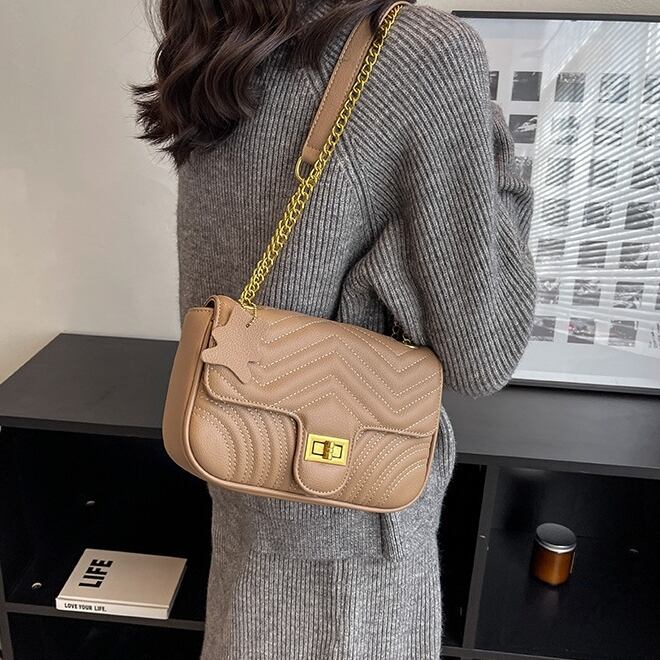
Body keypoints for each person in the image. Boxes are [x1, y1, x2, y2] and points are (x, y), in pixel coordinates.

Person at [133, 0, 536, 657]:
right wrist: (493, 153)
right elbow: (485, 354)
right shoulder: (419, 51)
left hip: (243, 480)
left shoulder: (216, 43)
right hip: (353, 521)